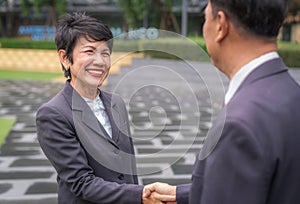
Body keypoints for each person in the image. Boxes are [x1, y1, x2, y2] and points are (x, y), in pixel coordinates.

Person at [144, 0, 300, 203]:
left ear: (220, 25)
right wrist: (182, 195)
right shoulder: (290, 92)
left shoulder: (239, 126)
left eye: (205, 17)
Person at [36, 12, 175, 204]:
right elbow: (82, 182)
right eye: (89, 51)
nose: (100, 61)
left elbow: (128, 167)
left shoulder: (115, 102)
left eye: (105, 53)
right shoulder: (53, 114)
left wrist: (139, 195)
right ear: (65, 58)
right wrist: (139, 196)